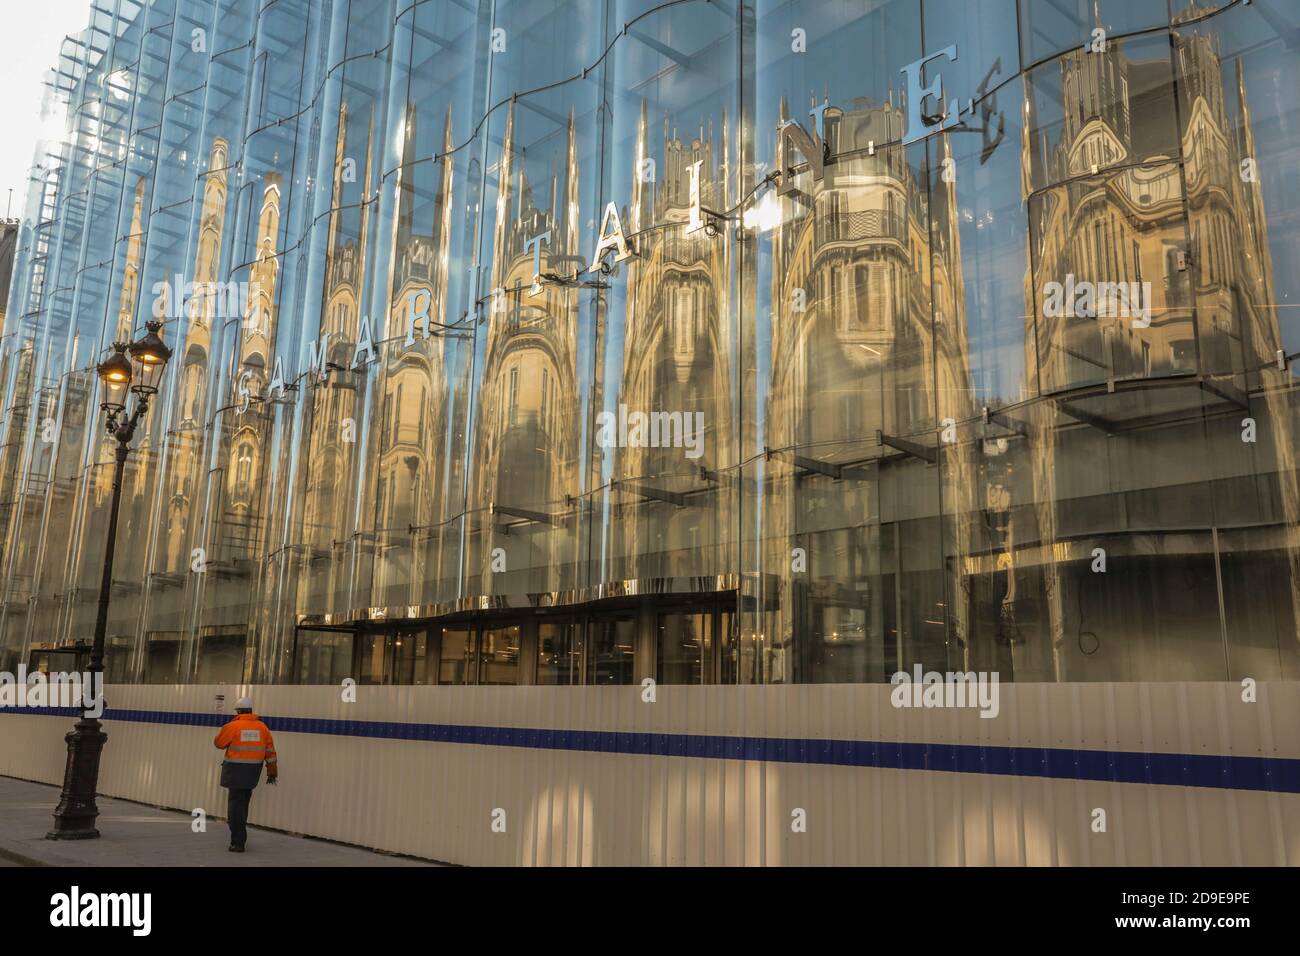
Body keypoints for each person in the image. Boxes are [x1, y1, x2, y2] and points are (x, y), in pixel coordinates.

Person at [213, 696, 278, 852]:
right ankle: (239, 838)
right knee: (243, 804)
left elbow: (218, 743)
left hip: (235, 772)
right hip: (252, 773)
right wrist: (272, 772)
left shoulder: (232, 726)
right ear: (251, 710)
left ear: (238, 711)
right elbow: (270, 751)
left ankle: (238, 842)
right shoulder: (263, 728)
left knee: (235, 807)